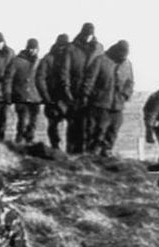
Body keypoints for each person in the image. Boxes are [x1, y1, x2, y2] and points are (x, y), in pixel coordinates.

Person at [82, 40, 134, 157]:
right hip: (100, 102)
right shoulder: (100, 60)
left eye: (126, 53)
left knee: (114, 129)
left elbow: (130, 82)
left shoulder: (127, 64)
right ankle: (93, 152)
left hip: (118, 104)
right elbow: (90, 80)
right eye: (122, 52)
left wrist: (125, 94)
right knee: (99, 129)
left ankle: (107, 150)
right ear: (116, 50)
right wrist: (86, 95)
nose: (124, 55)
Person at [62, 22, 104, 153]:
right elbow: (65, 70)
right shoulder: (72, 48)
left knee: (90, 124)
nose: (88, 37)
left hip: (92, 93)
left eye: (90, 35)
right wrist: (67, 90)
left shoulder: (99, 48)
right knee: (74, 123)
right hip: (75, 92)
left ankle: (88, 153)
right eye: (86, 34)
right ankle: (72, 151)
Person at [36, 34, 72, 150]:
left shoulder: (70, 58)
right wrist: (46, 97)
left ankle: (67, 149)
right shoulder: (48, 59)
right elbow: (40, 78)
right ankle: (55, 147)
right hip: (52, 97)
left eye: (65, 46)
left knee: (70, 124)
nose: (62, 48)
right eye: (61, 45)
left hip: (67, 98)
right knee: (53, 124)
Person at [9, 39, 42, 144]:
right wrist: (8, 94)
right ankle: (19, 140)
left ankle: (29, 141)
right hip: (20, 95)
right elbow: (8, 78)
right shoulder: (17, 61)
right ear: (27, 48)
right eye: (31, 48)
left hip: (35, 96)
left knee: (33, 121)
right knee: (22, 120)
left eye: (35, 49)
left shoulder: (39, 63)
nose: (33, 51)